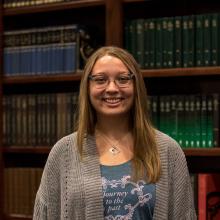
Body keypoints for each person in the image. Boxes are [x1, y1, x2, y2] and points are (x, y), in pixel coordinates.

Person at [33, 46, 197, 219]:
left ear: (136, 86)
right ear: (87, 87)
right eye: (100, 79)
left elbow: (184, 214)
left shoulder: (168, 151)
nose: (112, 88)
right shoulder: (64, 152)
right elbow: (44, 214)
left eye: (123, 79)